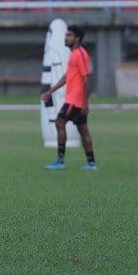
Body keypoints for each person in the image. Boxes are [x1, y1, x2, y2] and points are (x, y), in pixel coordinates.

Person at [40, 24, 96, 170]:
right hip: (75, 100)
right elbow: (67, 77)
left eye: (69, 35)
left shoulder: (80, 54)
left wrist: (85, 103)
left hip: (75, 101)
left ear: (77, 38)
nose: (66, 38)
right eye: (66, 35)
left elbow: (86, 79)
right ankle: (91, 163)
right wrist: (50, 91)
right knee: (83, 130)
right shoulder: (73, 54)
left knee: (59, 122)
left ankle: (60, 160)